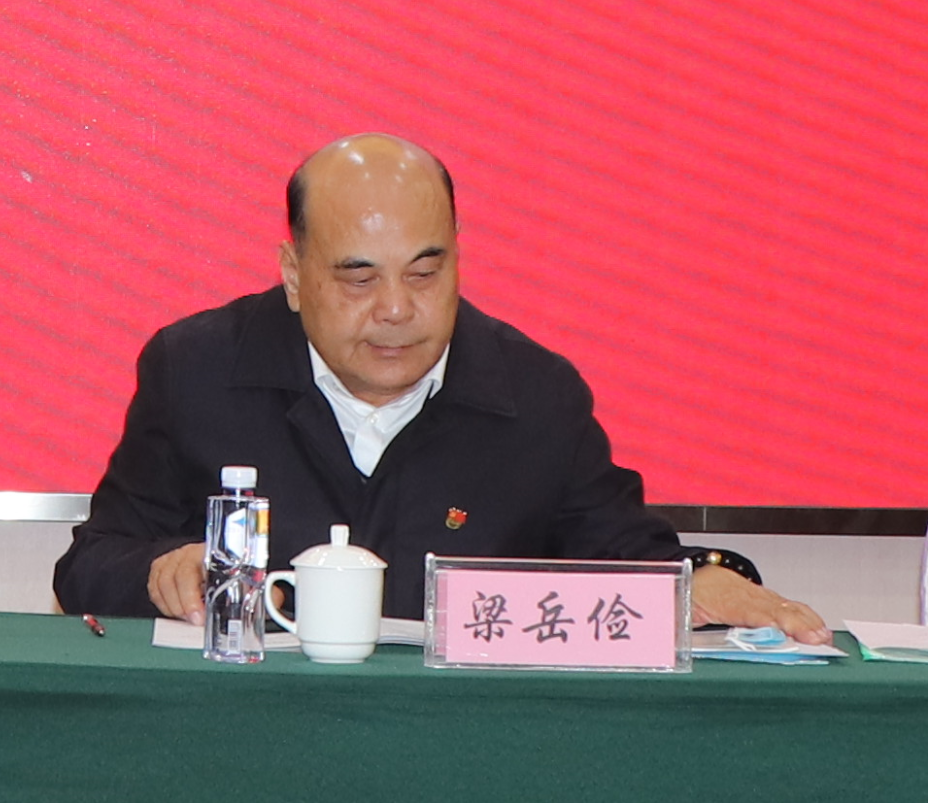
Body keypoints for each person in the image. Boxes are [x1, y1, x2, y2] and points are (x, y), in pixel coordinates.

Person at [54, 133, 831, 645]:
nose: (397, 309)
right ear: (293, 274)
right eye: (359, 278)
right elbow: (89, 565)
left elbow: (628, 559)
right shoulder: (194, 371)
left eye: (426, 273)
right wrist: (160, 572)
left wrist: (696, 588)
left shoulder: (538, 397)